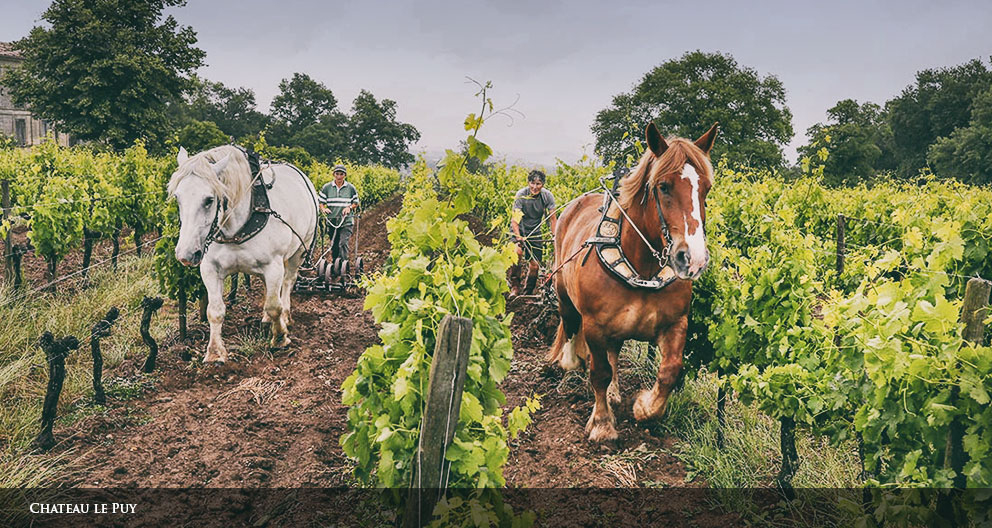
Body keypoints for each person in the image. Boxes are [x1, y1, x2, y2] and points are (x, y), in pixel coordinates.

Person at [509, 169, 557, 296]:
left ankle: (528, 292)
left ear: (543, 185)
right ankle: (514, 286)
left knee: (535, 266)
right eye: (532, 183)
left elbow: (552, 218)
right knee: (517, 253)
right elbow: (515, 221)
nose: (535, 187)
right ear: (528, 182)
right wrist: (519, 237)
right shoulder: (521, 195)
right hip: (520, 229)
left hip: (535, 232)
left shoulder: (547, 196)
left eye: (538, 184)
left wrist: (555, 237)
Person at [318, 164, 360, 262]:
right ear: (334, 174)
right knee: (334, 244)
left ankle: (344, 265)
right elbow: (321, 202)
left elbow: (356, 203)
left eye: (341, 174)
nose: (339, 176)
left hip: (346, 221)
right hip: (332, 221)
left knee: (343, 243)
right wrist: (323, 209)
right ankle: (335, 263)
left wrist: (349, 207)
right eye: (337, 174)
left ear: (345, 175)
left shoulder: (350, 188)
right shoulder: (327, 187)